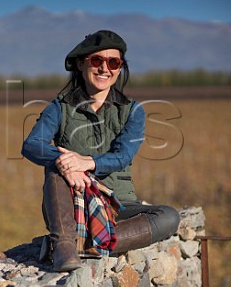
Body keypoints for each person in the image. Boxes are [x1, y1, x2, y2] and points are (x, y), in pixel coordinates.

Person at [21, 30, 180, 272]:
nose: (105, 68)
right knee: (56, 167)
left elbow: (123, 155)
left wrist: (87, 162)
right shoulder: (59, 108)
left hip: (121, 206)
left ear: (120, 68)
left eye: (113, 62)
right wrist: (63, 159)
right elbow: (32, 145)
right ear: (81, 63)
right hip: (75, 204)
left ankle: (77, 245)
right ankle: (64, 242)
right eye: (97, 60)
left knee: (169, 217)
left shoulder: (133, 111)